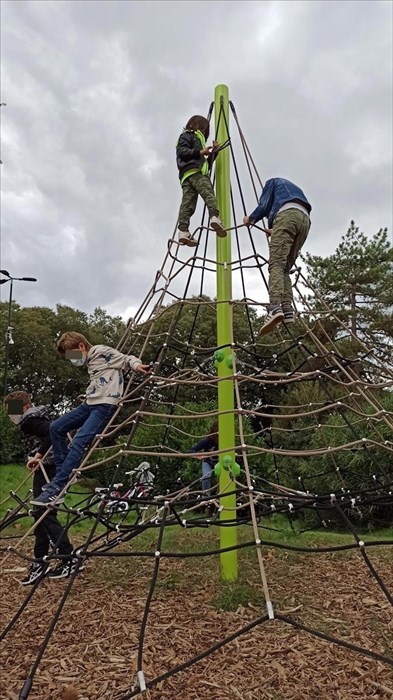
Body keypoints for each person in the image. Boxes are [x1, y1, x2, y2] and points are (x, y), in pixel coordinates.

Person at [30, 332, 151, 507]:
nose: (72, 360)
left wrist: (138, 366)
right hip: (90, 403)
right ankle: (64, 474)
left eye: (72, 355)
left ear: (81, 346)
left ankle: (58, 487)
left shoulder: (101, 351)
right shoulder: (90, 361)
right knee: (56, 427)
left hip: (104, 406)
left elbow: (126, 359)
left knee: (79, 440)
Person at [4, 391, 79, 584]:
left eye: (11, 410)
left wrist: (38, 455)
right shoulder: (40, 415)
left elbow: (51, 433)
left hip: (49, 467)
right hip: (52, 466)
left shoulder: (30, 421)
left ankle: (67, 557)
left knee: (43, 513)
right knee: (41, 514)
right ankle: (42, 559)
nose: (10, 415)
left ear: (24, 407)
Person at [243, 177, 311, 335]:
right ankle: (287, 308)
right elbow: (292, 217)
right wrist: (275, 229)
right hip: (305, 220)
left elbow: (264, 205)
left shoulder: (272, 183)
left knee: (276, 265)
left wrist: (251, 219)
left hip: (287, 216)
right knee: (285, 267)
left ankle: (274, 307)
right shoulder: (292, 191)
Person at [176, 114, 226, 247]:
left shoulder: (199, 140)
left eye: (205, 130)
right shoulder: (187, 135)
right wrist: (200, 152)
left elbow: (206, 164)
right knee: (208, 193)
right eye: (203, 128)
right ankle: (214, 217)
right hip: (195, 173)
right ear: (194, 125)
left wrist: (214, 152)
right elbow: (182, 152)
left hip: (187, 176)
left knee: (188, 204)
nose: (204, 132)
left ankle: (183, 231)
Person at [189, 420, 218, 495]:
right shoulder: (207, 441)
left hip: (220, 463)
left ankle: (221, 494)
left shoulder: (225, 441)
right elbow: (192, 450)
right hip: (208, 462)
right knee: (206, 476)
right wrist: (198, 455)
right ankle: (205, 496)